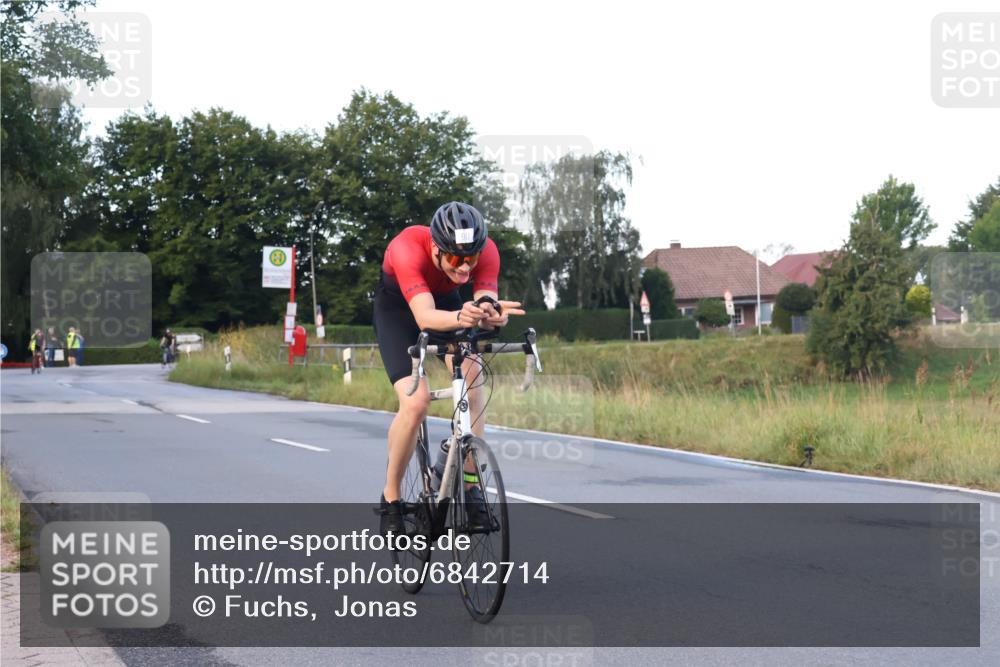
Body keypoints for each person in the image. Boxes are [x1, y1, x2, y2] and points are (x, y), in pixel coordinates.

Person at [373, 202, 524, 533]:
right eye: (456, 259)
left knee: (473, 371)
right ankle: (392, 497)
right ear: (436, 248)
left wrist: (492, 313)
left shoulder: (486, 252)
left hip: (448, 305)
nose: (465, 268)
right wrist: (462, 316)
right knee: (416, 403)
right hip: (399, 311)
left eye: (471, 258)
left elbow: (483, 300)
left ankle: (470, 485)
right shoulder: (406, 248)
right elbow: (425, 317)